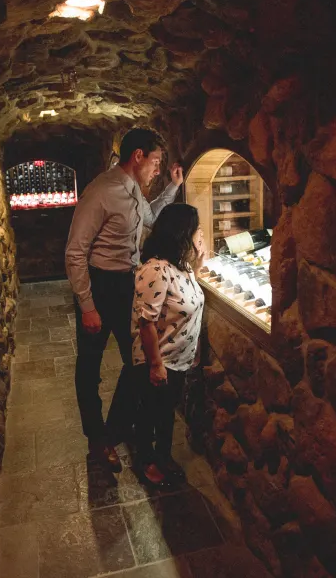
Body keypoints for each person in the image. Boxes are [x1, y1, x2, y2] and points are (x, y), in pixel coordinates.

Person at [65, 128, 184, 472]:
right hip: (99, 287)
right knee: (89, 368)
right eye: (156, 162)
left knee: (138, 362)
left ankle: (117, 429)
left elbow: (150, 219)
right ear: (138, 157)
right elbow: (75, 252)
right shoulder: (101, 193)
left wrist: (174, 188)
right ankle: (97, 441)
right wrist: (88, 305)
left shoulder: (133, 191)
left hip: (128, 284)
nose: (157, 170)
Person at [130, 203, 207, 487]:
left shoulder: (181, 266)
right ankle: (146, 462)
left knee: (165, 414)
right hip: (158, 359)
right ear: (181, 233)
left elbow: (189, 297)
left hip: (179, 359)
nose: (200, 233)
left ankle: (162, 457)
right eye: (196, 229)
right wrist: (155, 365)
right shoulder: (155, 270)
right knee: (150, 413)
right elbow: (146, 322)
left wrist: (198, 258)